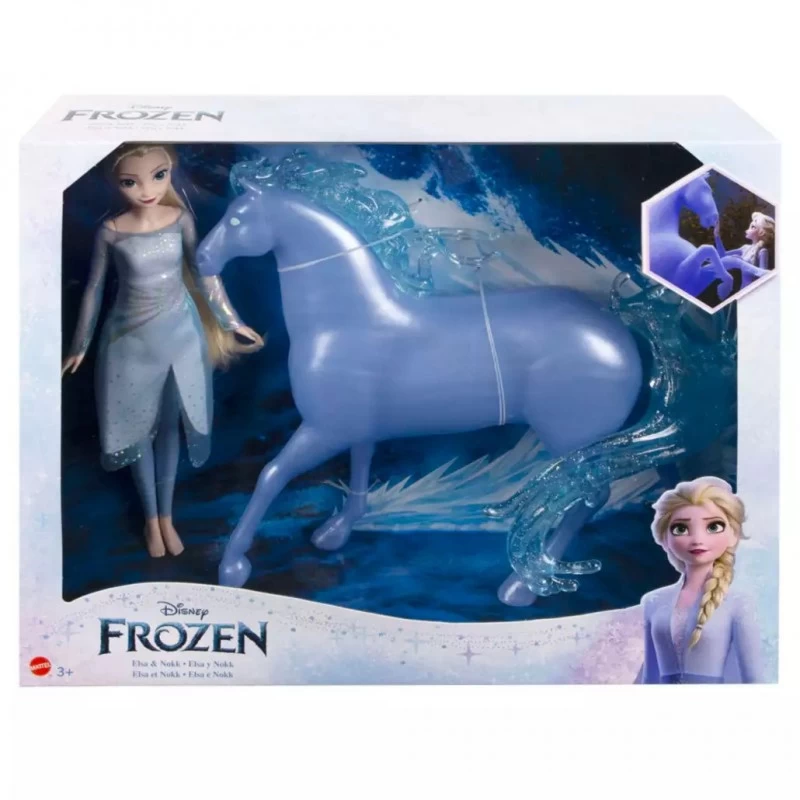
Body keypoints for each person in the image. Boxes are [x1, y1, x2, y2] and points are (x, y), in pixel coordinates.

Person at [62, 143, 264, 557]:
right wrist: (80, 343)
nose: (146, 190)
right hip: (129, 341)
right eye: (130, 182)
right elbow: (94, 289)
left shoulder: (179, 219)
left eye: (158, 175)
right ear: (115, 183)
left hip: (181, 335)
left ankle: (167, 517)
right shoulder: (112, 230)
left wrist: (231, 321)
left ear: (171, 172)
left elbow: (203, 273)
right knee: (138, 430)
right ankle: (150, 519)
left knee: (170, 425)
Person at [637, 476, 762, 683]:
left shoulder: (738, 603)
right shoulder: (653, 601)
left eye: (713, 527)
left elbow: (754, 680)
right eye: (680, 529)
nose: (697, 540)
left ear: (733, 534)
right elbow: (650, 677)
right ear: (664, 538)